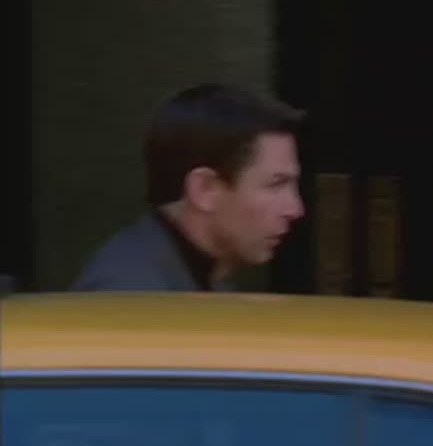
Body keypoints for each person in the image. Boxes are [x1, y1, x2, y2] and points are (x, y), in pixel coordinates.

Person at [72, 83, 305, 291]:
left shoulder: (202, 274)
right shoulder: (134, 295)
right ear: (204, 189)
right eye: (276, 184)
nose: (296, 209)